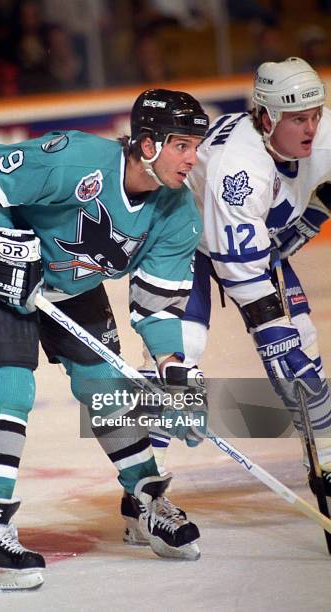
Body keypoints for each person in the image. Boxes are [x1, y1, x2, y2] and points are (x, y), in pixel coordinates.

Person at [0, 88, 210, 590]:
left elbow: (155, 307)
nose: (192, 158)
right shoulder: (76, 158)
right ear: (149, 144)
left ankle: (145, 502)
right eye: (182, 145)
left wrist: (176, 370)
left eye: (195, 146)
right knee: (8, 390)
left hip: (72, 284)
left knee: (108, 388)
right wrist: (8, 241)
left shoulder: (178, 212)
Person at [138, 58, 331, 522]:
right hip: (183, 238)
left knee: (304, 343)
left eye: (315, 115)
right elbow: (242, 271)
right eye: (297, 119)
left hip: (247, 241)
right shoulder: (237, 170)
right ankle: (142, 490)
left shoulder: (315, 138)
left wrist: (315, 213)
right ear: (266, 118)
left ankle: (324, 460)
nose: (311, 128)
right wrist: (273, 335)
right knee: (178, 357)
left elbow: (268, 245)